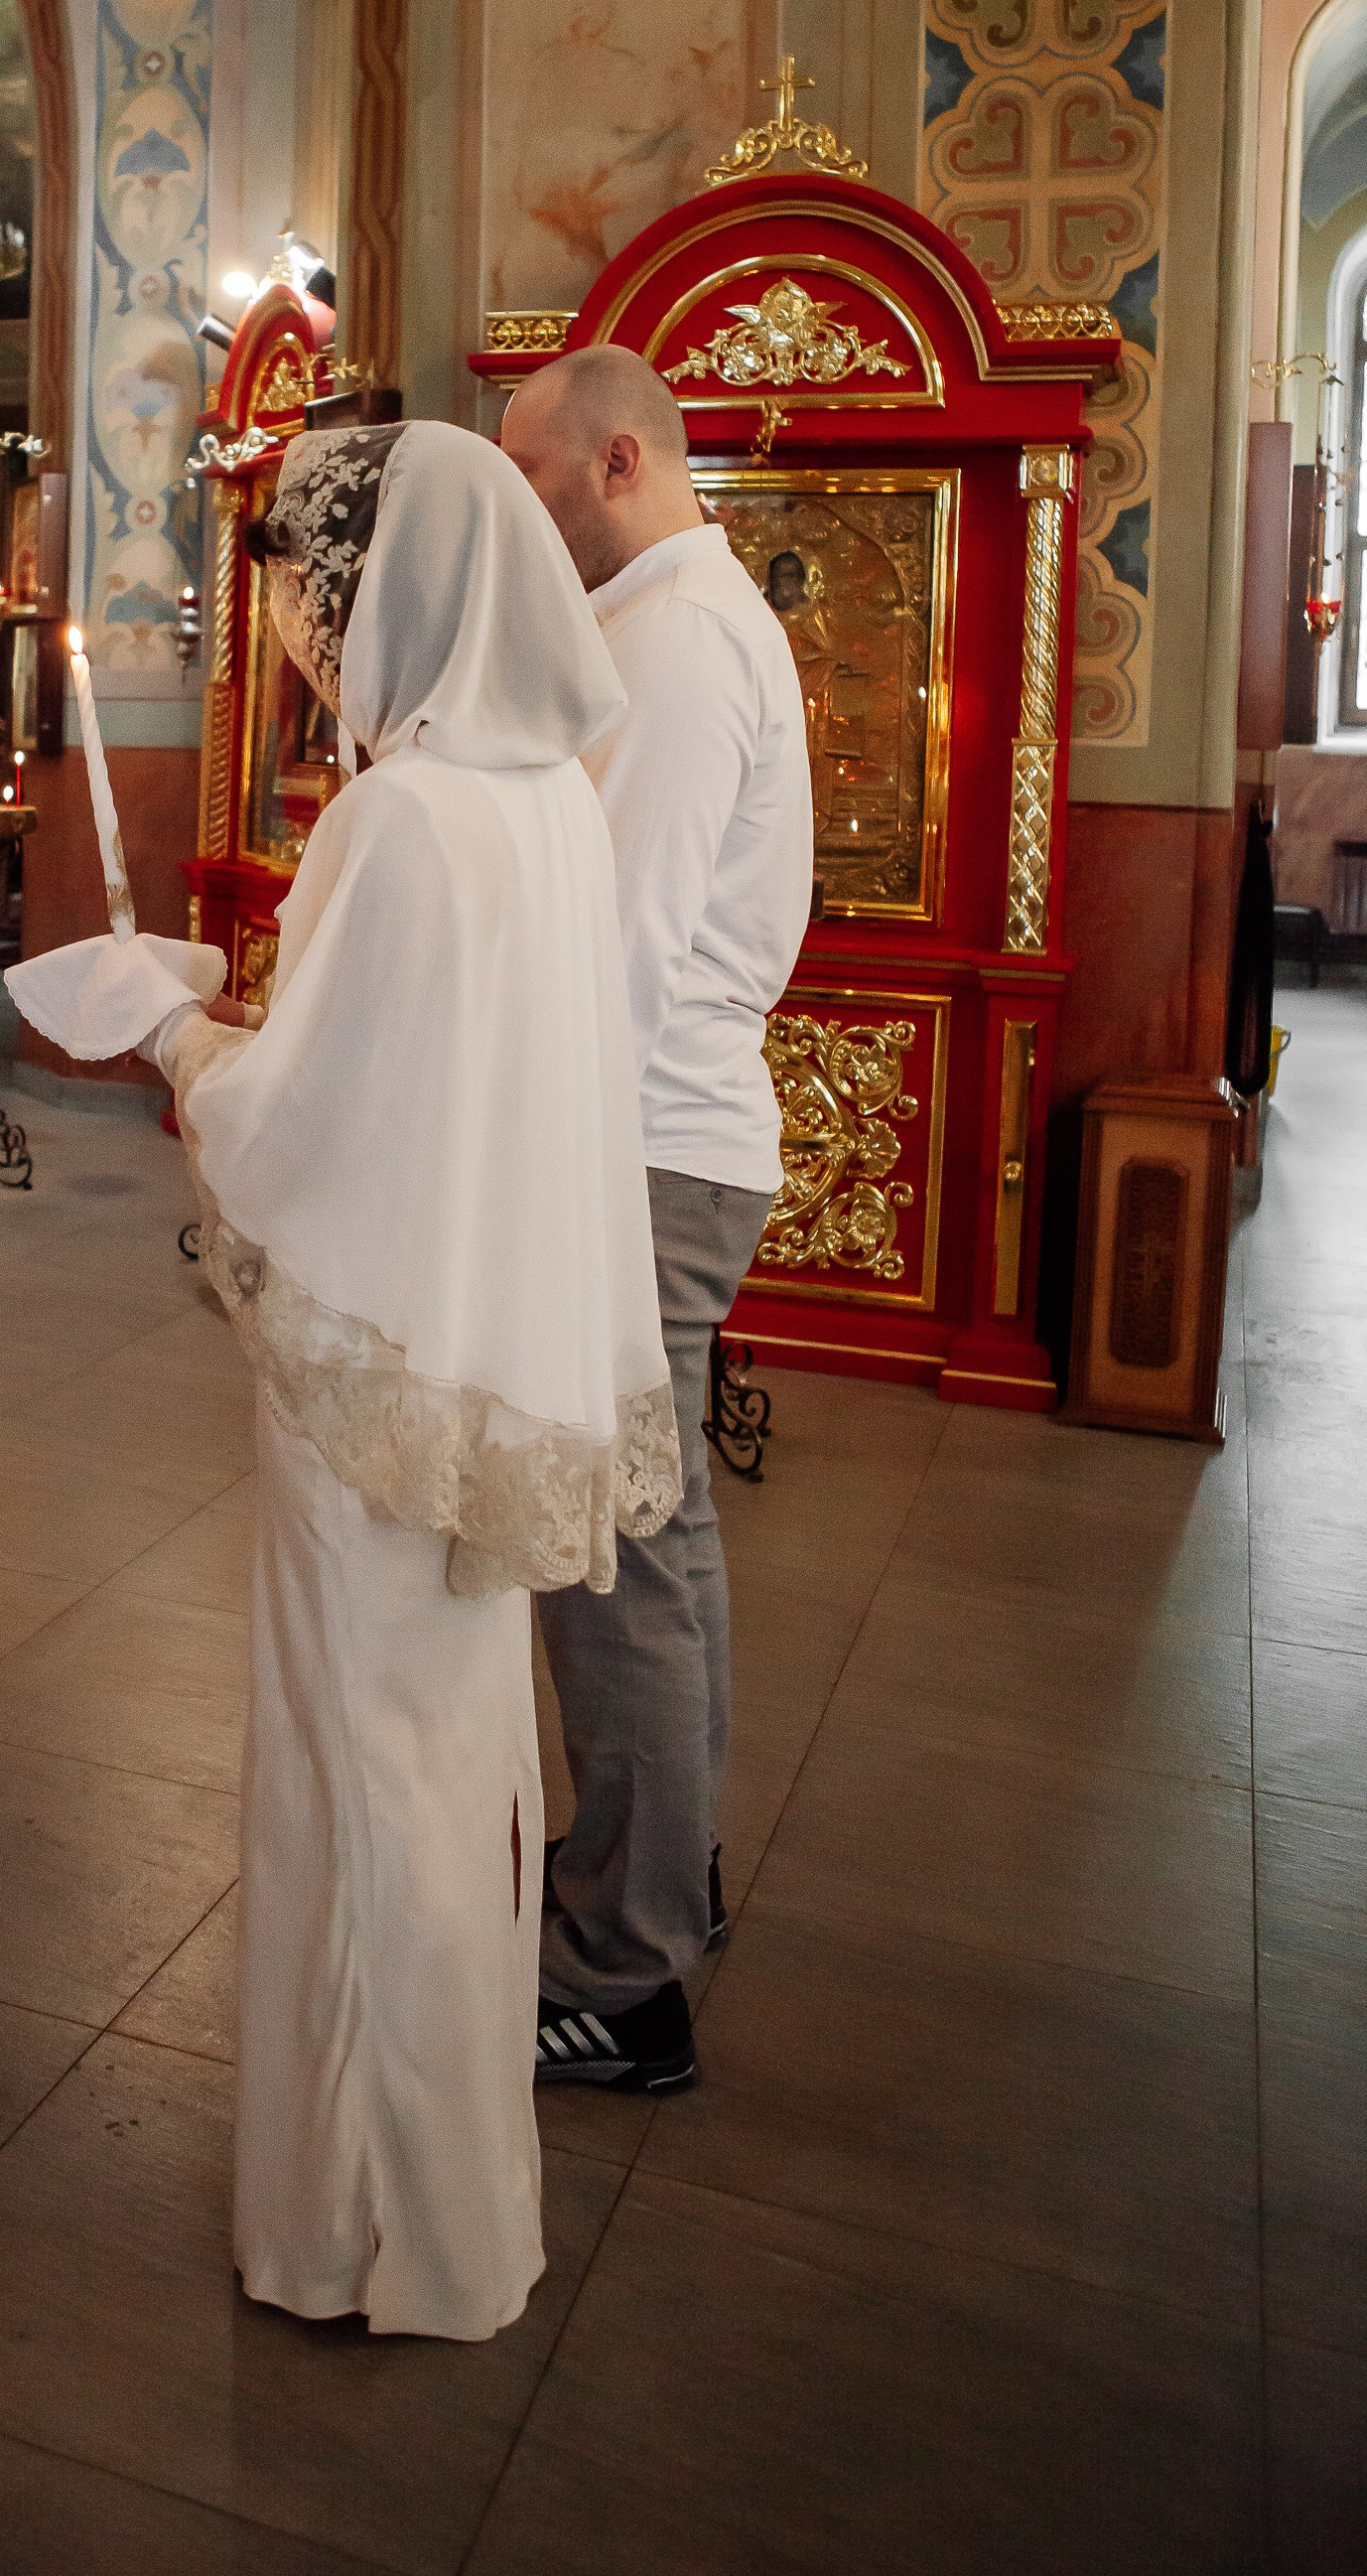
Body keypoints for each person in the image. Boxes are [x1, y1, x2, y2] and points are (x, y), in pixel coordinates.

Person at [138, 421, 675, 2341]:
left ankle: (346, 2231)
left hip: (365, 1379)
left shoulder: (397, 817)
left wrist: (180, 1038)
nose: (304, 625)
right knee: (453, 1778)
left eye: (317, 590)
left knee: (348, 1771)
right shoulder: (542, 797)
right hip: (482, 1368)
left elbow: (299, 1118)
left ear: (390, 600)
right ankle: (462, 2222)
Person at [500, 342, 811, 2094]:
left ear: (615, 461)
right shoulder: (664, 620)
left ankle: (621, 1978)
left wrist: (518, 1160)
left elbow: (608, 948)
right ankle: (658, 1884)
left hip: (634, 1147)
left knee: (604, 1556)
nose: (528, 525)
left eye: (537, 486)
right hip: (663, 1143)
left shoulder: (679, 640)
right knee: (657, 1533)